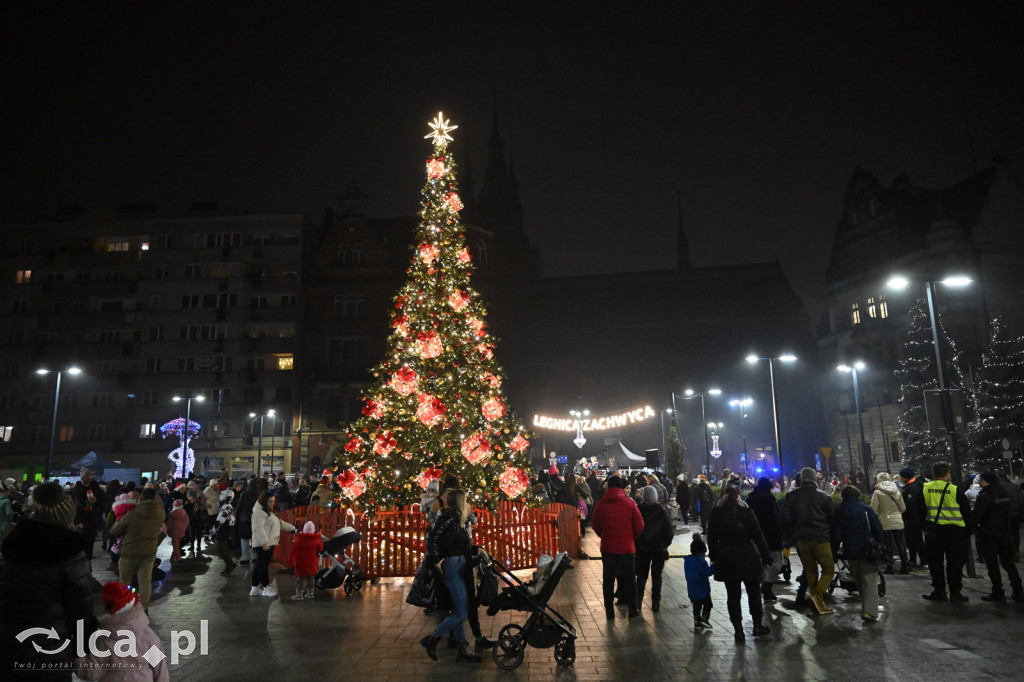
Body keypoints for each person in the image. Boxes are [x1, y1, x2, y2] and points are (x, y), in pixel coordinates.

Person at [0, 482, 96, 679]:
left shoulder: (11, 546)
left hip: (8, 648)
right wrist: (84, 647)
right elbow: (80, 608)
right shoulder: (70, 552)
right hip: (50, 652)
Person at [419, 489, 482, 663]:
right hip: (453, 566)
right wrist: (436, 560)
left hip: (460, 564)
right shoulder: (448, 518)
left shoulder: (459, 519)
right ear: (460, 502)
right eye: (465, 501)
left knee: (458, 608)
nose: (468, 504)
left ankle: (462, 647)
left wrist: (476, 550)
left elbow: (460, 543)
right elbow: (432, 538)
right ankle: (432, 638)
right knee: (461, 611)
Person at [707, 486, 772, 641]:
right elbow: (758, 535)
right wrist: (766, 556)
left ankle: (738, 630)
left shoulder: (716, 513)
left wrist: (715, 557)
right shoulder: (747, 512)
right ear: (738, 498)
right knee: (754, 592)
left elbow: (711, 539)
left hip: (726, 557)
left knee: (733, 595)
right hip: (747, 555)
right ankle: (757, 625)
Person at [75, 581, 169, 681]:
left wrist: (78, 656)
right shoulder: (147, 635)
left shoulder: (103, 638)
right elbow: (161, 671)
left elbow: (92, 673)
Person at [591, 475, 645, 619]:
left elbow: (595, 524)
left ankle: (609, 611)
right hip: (627, 549)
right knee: (629, 580)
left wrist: (604, 536)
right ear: (621, 488)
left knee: (608, 580)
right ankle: (633, 609)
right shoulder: (629, 503)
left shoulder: (601, 503)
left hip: (608, 548)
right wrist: (631, 538)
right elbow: (639, 525)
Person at [919, 461, 973, 603]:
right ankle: (955, 593)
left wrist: (925, 527)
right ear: (947, 473)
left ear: (934, 473)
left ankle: (939, 591)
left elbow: (919, 511)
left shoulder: (925, 488)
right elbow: (967, 513)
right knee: (954, 563)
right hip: (956, 532)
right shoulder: (955, 490)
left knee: (935, 563)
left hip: (934, 531)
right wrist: (968, 532)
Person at [786, 466, 836, 615]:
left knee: (810, 571)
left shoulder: (792, 496)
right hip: (820, 537)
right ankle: (816, 595)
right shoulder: (824, 496)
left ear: (801, 479)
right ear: (815, 479)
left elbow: (786, 518)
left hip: (802, 538)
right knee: (828, 569)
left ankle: (819, 605)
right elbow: (833, 518)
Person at [833, 486, 886, 622]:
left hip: (850, 550)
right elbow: (878, 529)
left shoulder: (839, 510)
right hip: (867, 550)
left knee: (857, 577)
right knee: (869, 579)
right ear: (858, 494)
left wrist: (833, 551)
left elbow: (836, 533)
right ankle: (869, 611)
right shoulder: (866, 509)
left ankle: (865, 601)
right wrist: (882, 545)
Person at [110, 487, 166, 609]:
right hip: (149, 552)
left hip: (130, 552)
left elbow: (115, 530)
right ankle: (143, 608)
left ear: (141, 498)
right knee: (145, 581)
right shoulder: (160, 514)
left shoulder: (132, 514)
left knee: (125, 581)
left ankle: (124, 606)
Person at [973, 471, 1023, 602]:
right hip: (1004, 533)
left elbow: (977, 515)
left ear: (986, 481)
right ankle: (1018, 590)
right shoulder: (1003, 493)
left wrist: (974, 529)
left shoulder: (984, 495)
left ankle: (998, 592)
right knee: (1008, 563)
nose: (979, 482)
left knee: (992, 565)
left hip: (989, 534)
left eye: (981, 480)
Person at [635, 485, 674, 612]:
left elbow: (634, 529)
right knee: (657, 576)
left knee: (641, 575)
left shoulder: (638, 511)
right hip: (658, 549)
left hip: (642, 549)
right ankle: (655, 602)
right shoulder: (661, 512)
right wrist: (664, 544)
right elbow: (669, 532)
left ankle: (638, 602)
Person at [250, 491, 296, 597]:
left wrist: (292, 529)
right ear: (264, 501)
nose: (272, 504)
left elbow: (279, 523)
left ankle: (255, 588)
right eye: (270, 502)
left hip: (267, 543)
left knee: (260, 566)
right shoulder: (259, 512)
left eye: (273, 501)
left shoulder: (268, 512)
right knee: (263, 566)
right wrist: (264, 542)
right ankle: (266, 587)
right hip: (264, 544)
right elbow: (258, 528)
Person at [746, 477, 783, 601]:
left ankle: (765, 587)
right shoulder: (770, 500)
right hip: (771, 535)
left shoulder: (750, 499)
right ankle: (767, 586)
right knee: (777, 562)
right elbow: (776, 518)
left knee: (761, 562)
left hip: (755, 535)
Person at [870, 472, 908, 574]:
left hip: (884, 522)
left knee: (888, 545)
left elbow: (873, 510)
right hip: (898, 521)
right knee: (901, 544)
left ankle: (889, 568)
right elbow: (903, 508)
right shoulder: (897, 491)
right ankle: (905, 567)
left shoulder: (877, 493)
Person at [73, 467, 106, 568]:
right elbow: (74, 504)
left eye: (89, 475)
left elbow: (102, 502)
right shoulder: (77, 489)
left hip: (92, 518)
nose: (88, 477)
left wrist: (96, 503)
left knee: (90, 540)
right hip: (79, 518)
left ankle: (88, 561)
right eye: (86, 475)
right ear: (82, 477)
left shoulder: (96, 489)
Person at [684, 532, 715, 631]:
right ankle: (704, 619)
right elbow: (707, 573)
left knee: (696, 607)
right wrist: (714, 566)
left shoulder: (688, 561)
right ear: (702, 552)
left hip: (692, 591)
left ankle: (697, 622)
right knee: (708, 605)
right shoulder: (701, 562)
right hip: (703, 590)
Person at [898, 467, 927, 568]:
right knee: (912, 541)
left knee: (917, 541)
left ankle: (924, 561)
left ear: (905, 477)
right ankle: (913, 560)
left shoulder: (912, 488)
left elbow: (911, 504)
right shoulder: (911, 486)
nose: (900, 478)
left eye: (901, 476)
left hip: (913, 519)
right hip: (913, 519)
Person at [289, 521, 324, 600]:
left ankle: (299, 595)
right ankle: (310, 593)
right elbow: (320, 549)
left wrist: (291, 562)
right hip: (312, 564)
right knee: (311, 579)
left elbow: (294, 552)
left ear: (304, 530)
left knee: (301, 579)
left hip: (301, 564)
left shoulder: (300, 540)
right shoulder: (317, 540)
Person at [212, 487, 237, 575]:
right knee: (222, 548)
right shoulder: (228, 506)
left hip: (224, 529)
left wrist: (213, 531)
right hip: (228, 529)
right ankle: (229, 565)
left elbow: (219, 521)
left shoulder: (225, 507)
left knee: (221, 549)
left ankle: (230, 564)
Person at [1001, 473, 1023, 559]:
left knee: (1005, 534)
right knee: (1015, 533)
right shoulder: (1015, 487)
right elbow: (1021, 502)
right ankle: (1016, 551)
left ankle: (1008, 552)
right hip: (1015, 514)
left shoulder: (997, 487)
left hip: (1003, 515)